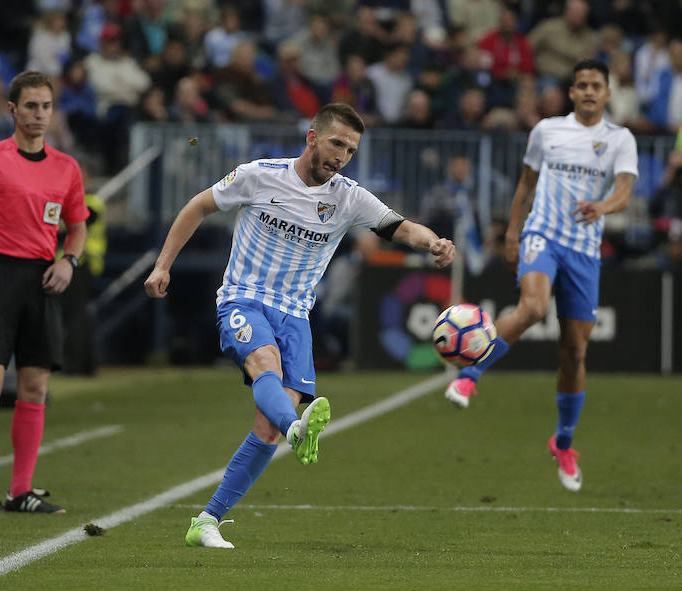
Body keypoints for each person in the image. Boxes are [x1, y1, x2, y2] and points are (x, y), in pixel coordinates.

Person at [144, 103, 455, 548]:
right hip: (244, 299)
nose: (342, 156)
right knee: (264, 365)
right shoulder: (258, 175)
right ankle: (297, 428)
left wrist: (434, 243)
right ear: (312, 138)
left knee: (267, 427)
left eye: (350, 150)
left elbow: (399, 227)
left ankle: (206, 521)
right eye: (336, 144)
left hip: (295, 316)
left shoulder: (348, 196)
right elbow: (197, 207)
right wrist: (162, 267)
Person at [443, 60, 638, 493]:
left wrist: (602, 207)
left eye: (596, 86)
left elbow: (624, 191)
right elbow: (526, 185)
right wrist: (512, 235)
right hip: (542, 235)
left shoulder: (620, 139)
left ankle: (563, 443)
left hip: (584, 251)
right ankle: (468, 377)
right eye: (582, 85)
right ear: (571, 92)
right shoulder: (547, 131)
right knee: (532, 306)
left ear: (607, 93)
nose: (589, 92)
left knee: (575, 352)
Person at [0, 71, 89, 514]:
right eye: (30, 106)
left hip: (41, 280)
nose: (39, 114)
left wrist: (69, 261)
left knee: (34, 385)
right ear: (12, 109)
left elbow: (78, 225)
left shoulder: (66, 167)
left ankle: (20, 491)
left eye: (46, 106)